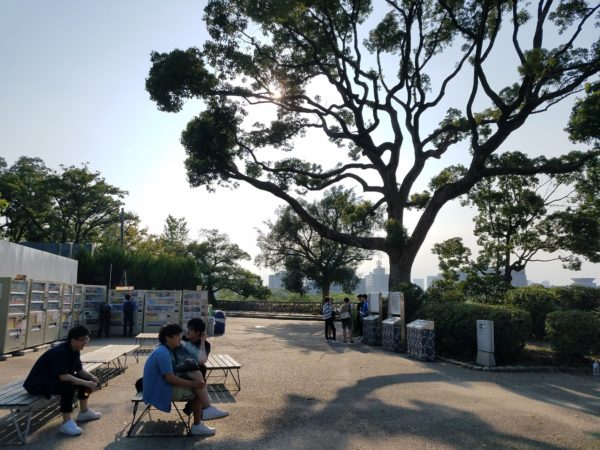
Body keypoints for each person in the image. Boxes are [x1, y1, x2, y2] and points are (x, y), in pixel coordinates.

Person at [23, 325, 102, 436]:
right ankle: (66, 423)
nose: (85, 342)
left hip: (53, 380)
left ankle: (84, 412)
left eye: (87, 339)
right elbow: (63, 377)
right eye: (83, 339)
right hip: (38, 384)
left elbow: (79, 370)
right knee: (68, 387)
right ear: (73, 340)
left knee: (86, 383)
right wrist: (86, 382)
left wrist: (91, 378)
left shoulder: (75, 350)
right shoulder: (60, 352)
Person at [142, 323, 216, 436]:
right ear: (168, 337)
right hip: (158, 391)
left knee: (196, 377)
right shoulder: (163, 353)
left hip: (158, 386)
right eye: (177, 336)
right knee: (198, 392)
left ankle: (206, 411)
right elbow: (170, 378)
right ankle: (199, 423)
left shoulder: (163, 349)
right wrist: (193, 384)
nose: (180, 338)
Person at [174, 318, 229, 420]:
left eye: (191, 329)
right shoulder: (182, 340)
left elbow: (202, 360)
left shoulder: (205, 344)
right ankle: (205, 412)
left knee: (201, 376)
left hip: (192, 374)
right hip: (181, 374)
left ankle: (201, 418)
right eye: (187, 328)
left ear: (198, 332)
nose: (187, 331)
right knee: (200, 384)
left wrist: (203, 342)